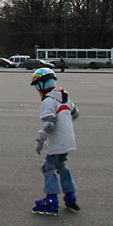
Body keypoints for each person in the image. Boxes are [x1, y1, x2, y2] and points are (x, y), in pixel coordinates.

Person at [30, 68, 80, 215]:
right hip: (68, 140)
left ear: (42, 86)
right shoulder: (64, 96)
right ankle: (71, 196)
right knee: (62, 166)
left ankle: (51, 199)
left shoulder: (48, 101)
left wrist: (40, 142)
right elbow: (75, 114)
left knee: (49, 167)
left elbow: (49, 124)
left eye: (36, 87)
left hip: (57, 141)